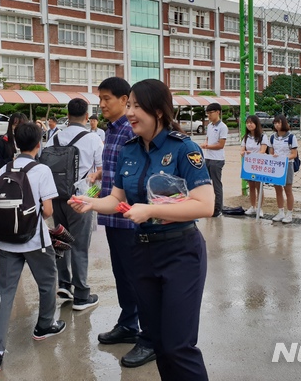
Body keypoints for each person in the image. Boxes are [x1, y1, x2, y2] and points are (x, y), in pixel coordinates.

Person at [69, 79, 213, 381]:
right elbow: (117, 198)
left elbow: (204, 205)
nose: (130, 112)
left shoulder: (184, 149)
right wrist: (91, 203)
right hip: (142, 253)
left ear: (158, 111)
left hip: (181, 253)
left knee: (178, 346)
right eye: (130, 105)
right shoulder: (129, 149)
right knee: (158, 343)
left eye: (136, 106)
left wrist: (151, 210)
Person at [0, 122, 65, 374]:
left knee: (5, 292)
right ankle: (44, 326)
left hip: (5, 240)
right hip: (34, 240)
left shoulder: (3, 168)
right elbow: (49, 210)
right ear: (39, 143)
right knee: (47, 281)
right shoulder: (41, 170)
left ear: (15, 142)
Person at [88, 77, 155, 368]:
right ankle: (128, 323)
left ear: (123, 98)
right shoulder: (112, 130)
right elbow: (119, 171)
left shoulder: (133, 129)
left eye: (106, 98)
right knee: (123, 275)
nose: (101, 104)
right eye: (99, 99)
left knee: (140, 278)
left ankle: (150, 338)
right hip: (113, 215)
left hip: (131, 218)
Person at [45, 98, 103, 310]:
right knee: (80, 245)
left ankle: (64, 283)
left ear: (67, 115)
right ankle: (81, 295)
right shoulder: (93, 139)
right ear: (87, 117)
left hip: (57, 197)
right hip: (80, 199)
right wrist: (93, 197)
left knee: (62, 239)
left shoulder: (54, 137)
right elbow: (101, 173)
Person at [269, 114, 299, 223]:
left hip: (287, 165)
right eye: (275, 123)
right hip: (276, 165)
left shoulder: (291, 137)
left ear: (284, 123)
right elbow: (271, 152)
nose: (277, 125)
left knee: (288, 189)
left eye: (279, 122)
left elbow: (294, 154)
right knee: (277, 189)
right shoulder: (272, 137)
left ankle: (289, 213)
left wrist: (283, 158)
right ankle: (280, 211)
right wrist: (273, 157)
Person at [200, 102, 227, 216]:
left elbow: (221, 145)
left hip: (217, 159)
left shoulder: (223, 127)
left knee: (216, 184)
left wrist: (207, 146)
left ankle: (218, 209)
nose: (209, 116)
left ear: (217, 112)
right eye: (208, 113)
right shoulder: (209, 126)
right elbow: (208, 138)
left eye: (211, 113)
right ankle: (208, 205)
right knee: (206, 184)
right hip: (208, 157)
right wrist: (206, 143)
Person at [240, 115, 268, 216]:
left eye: (251, 123)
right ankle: (253, 206)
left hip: (258, 165)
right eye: (247, 123)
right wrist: (244, 153)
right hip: (248, 165)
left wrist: (252, 154)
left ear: (256, 124)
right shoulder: (246, 137)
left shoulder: (263, 136)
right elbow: (242, 151)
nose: (249, 125)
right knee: (251, 186)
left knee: (259, 186)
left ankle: (260, 208)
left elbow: (263, 151)